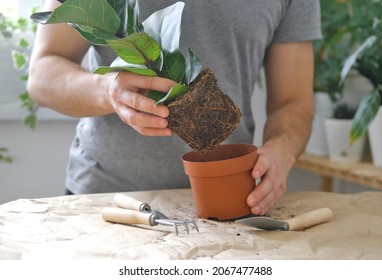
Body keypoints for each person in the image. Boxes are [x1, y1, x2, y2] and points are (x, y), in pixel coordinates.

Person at [28, 0, 322, 216]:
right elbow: (42, 74)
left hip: (229, 203)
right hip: (110, 202)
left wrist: (282, 150)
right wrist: (108, 91)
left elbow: (292, 101)